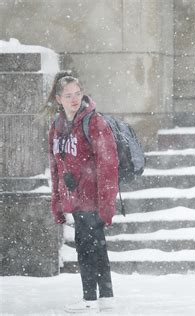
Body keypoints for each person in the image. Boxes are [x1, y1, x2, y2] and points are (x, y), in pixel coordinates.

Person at [43, 71, 118, 313]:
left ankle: (89, 300)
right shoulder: (57, 125)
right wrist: (58, 202)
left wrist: (106, 204)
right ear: (58, 98)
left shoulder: (94, 122)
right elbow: (56, 167)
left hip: (91, 197)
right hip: (74, 197)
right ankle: (106, 297)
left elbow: (108, 164)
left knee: (87, 247)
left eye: (77, 94)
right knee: (95, 245)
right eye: (68, 95)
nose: (74, 99)